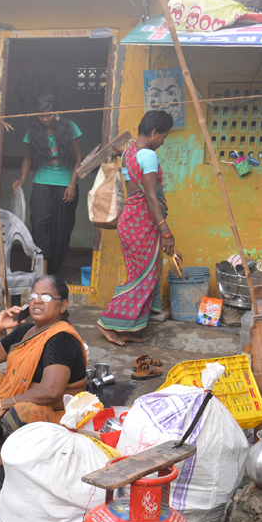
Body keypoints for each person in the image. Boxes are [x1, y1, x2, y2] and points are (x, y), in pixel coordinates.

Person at [0, 272, 88, 466]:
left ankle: (21, 457)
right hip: (26, 398)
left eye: (46, 297)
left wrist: (6, 403)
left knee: (23, 410)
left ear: (62, 305)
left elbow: (51, 391)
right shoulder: (25, 331)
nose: (38, 302)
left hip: (56, 413)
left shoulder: (62, 338)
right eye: (33, 296)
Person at [97, 110, 176, 348]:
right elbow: (151, 197)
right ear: (153, 133)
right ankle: (107, 321)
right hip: (142, 222)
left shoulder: (130, 151)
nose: (163, 141)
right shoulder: (148, 156)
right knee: (142, 279)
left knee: (141, 277)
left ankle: (131, 328)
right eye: (163, 136)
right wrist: (166, 232)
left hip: (130, 220)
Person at [13, 95, 83, 278]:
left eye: (48, 115)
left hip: (66, 185)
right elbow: (28, 157)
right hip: (41, 184)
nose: (45, 119)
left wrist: (72, 185)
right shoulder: (34, 130)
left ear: (56, 111)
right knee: (40, 226)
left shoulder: (70, 127)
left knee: (61, 229)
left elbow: (79, 157)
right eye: (41, 116)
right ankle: (42, 274)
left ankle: (54, 271)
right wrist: (21, 179)